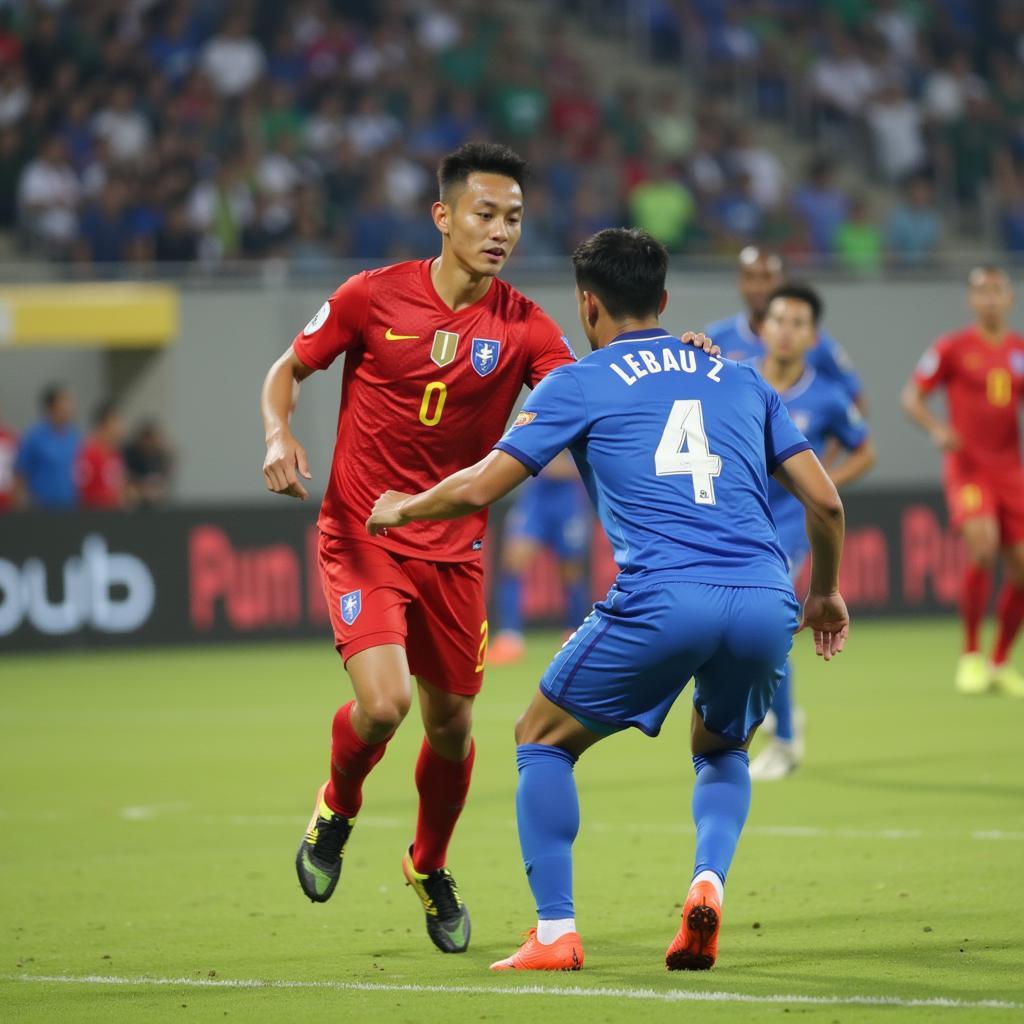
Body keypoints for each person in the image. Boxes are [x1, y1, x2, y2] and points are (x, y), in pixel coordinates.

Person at [259, 139, 724, 954]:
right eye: (484, 213)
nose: (501, 230)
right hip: (365, 530)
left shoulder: (523, 325)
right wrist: (277, 433)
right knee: (384, 705)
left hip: (456, 549)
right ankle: (336, 807)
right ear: (443, 216)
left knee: (451, 730)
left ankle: (426, 865)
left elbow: (594, 388)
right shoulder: (371, 297)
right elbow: (286, 371)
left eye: (512, 217)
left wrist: (674, 365)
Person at [367, 228, 848, 972]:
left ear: (588, 305)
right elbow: (827, 504)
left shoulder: (581, 380)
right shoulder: (743, 379)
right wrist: (824, 594)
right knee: (722, 749)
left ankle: (555, 931)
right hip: (762, 596)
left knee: (540, 737)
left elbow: (481, 486)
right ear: (662, 300)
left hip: (664, 595)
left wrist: (401, 506)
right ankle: (708, 883)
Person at [748, 284, 875, 781]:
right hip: (736, 519)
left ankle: (784, 739)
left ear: (812, 336)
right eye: (779, 320)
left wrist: (822, 486)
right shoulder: (737, 381)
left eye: (798, 323)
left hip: (788, 525)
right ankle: (777, 713)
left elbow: (864, 449)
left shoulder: (826, 394)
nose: (786, 330)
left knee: (771, 620)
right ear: (763, 327)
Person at [902, 266, 1024, 697]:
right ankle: (971, 655)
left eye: (997, 290)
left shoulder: (1018, 351)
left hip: (1012, 472)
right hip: (969, 468)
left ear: (1009, 298)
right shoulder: (952, 347)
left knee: (1022, 569)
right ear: (971, 301)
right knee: (983, 544)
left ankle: (1000, 661)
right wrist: (936, 428)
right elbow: (911, 396)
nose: (989, 299)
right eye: (981, 292)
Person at [703, 246, 864, 408]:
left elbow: (854, 402)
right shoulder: (718, 337)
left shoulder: (816, 342)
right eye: (750, 277)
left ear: (782, 281)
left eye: (767, 278)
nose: (758, 287)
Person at [488, 452, 592, 666]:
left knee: (571, 573)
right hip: (537, 502)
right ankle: (510, 637)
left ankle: (575, 632)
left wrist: (565, 465)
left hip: (567, 504)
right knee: (513, 563)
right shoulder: (540, 420)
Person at [15, 383, 81, 508]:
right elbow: (21, 474)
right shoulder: (34, 438)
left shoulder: (74, 437)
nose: (70, 407)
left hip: (70, 508)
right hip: (42, 510)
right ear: (51, 406)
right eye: (65, 401)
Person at [76, 399, 126, 509]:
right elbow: (83, 493)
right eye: (117, 420)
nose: (122, 426)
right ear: (104, 424)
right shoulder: (89, 454)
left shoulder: (115, 454)